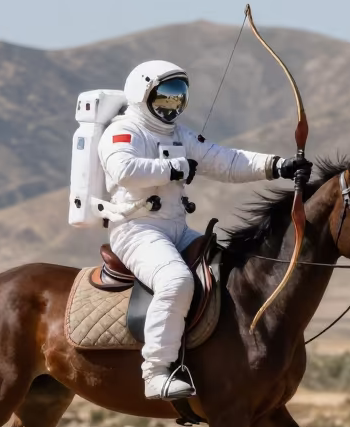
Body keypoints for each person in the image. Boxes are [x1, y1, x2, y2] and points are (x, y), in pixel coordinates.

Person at [99, 60, 310, 400]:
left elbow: (225, 160)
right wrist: (177, 167)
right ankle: (156, 372)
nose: (175, 103)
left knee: (230, 272)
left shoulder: (180, 135)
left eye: (179, 96)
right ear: (143, 93)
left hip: (177, 228)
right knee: (176, 281)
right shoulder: (123, 131)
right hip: (136, 230)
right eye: (167, 95)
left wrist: (278, 166)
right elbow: (125, 170)